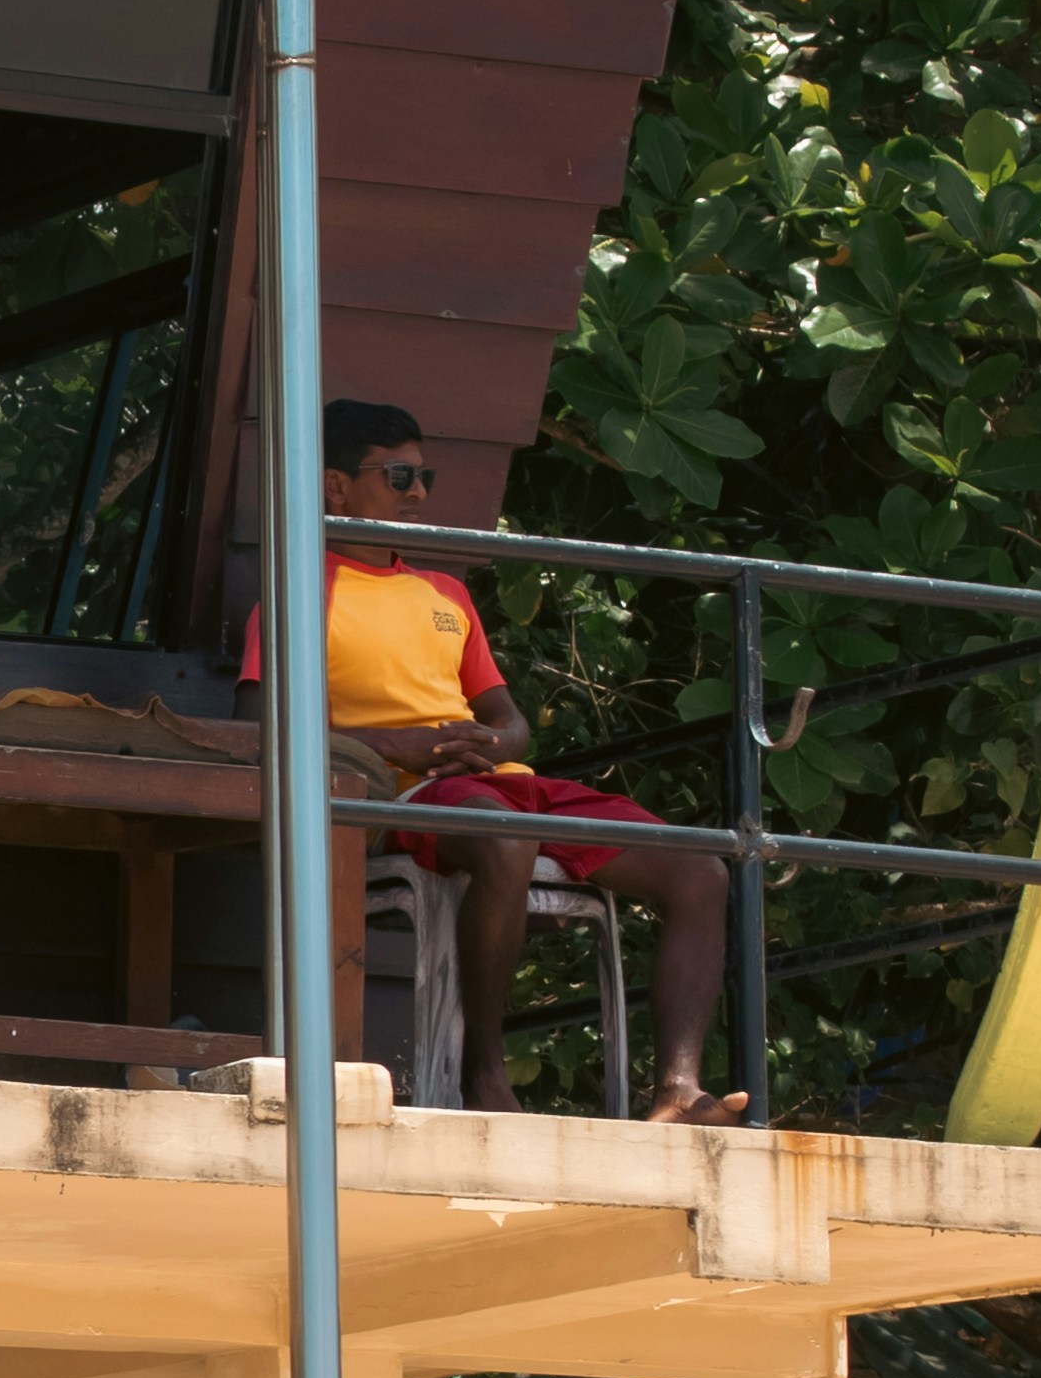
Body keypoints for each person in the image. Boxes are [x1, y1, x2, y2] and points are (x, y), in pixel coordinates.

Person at [256, 398, 740, 1121]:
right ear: (334, 486)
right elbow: (254, 722)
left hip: (494, 783)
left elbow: (508, 721)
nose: (418, 494)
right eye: (398, 476)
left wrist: (490, 743)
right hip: (399, 797)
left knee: (699, 867)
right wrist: (396, 746)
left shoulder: (444, 592)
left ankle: (676, 1090)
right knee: (504, 840)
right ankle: (484, 1072)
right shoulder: (297, 587)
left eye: (425, 477)